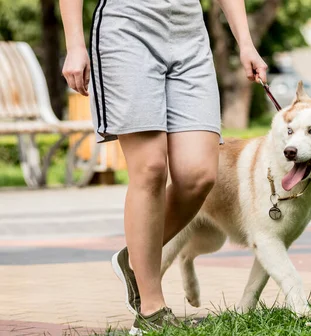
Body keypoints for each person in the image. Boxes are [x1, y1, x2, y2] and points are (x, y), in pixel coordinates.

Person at [59, 0, 267, 332]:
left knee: (199, 175)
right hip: (126, 29)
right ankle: (151, 309)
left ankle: (134, 259)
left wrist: (245, 43)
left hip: (189, 32)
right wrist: (75, 45)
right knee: (151, 169)